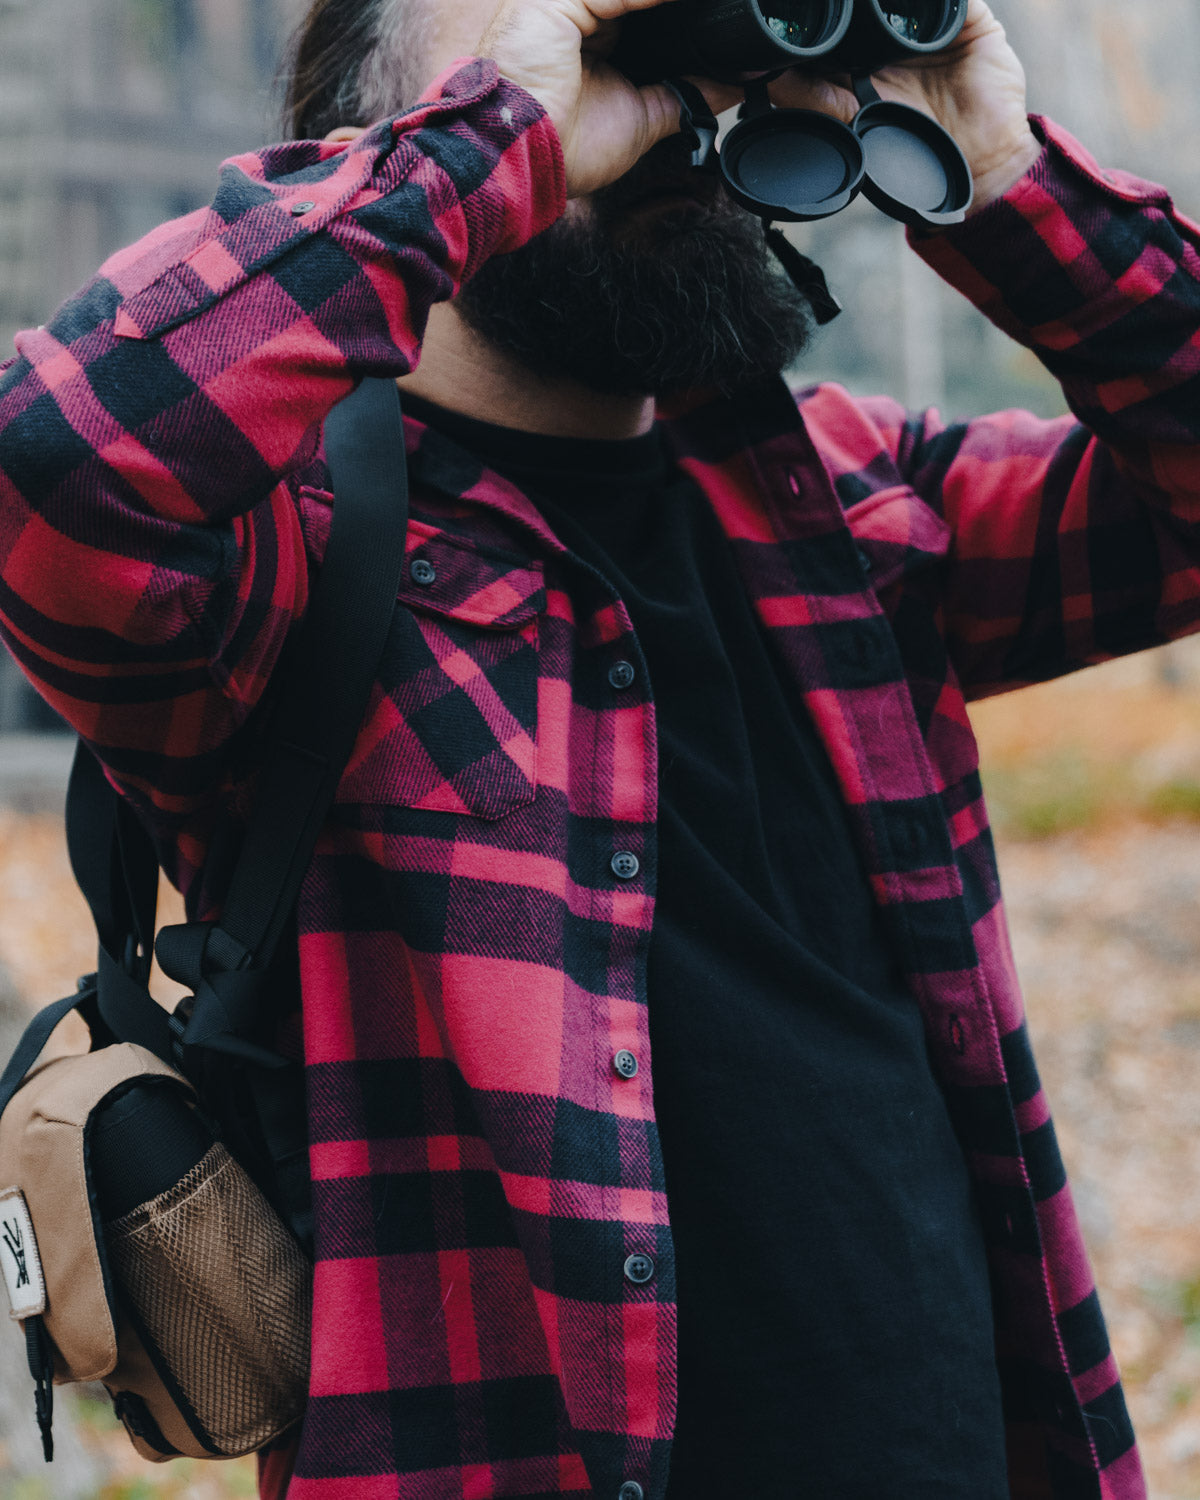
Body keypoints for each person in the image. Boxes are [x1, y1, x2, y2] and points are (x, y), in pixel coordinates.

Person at [0, 0, 1195, 1493]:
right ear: (365, 166)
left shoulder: (843, 502)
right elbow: (55, 459)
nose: (641, 101)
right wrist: (496, 149)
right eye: (557, 43)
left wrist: (1009, 170)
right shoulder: (277, 569)